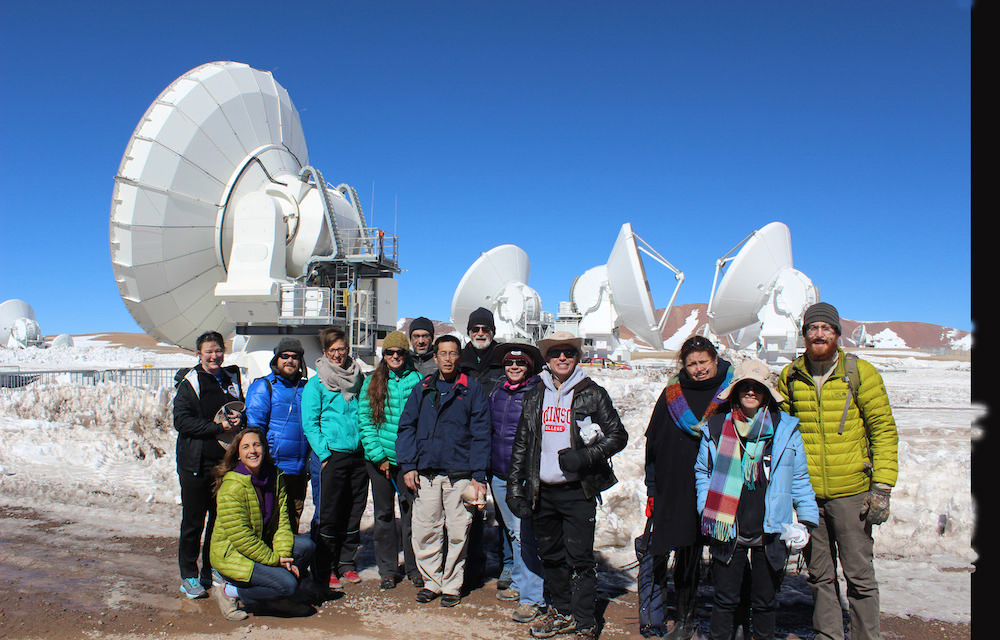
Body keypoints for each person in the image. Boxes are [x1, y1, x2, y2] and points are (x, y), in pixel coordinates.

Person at [777, 302, 898, 640]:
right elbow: (782, 431)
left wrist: (882, 487)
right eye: (812, 328)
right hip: (809, 496)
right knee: (819, 576)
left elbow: (883, 430)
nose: (819, 334)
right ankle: (828, 635)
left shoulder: (860, 373)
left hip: (852, 494)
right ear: (803, 334)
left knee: (860, 576)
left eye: (825, 328)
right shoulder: (791, 376)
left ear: (837, 333)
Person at [507, 331, 629, 640]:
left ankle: (585, 620)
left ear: (577, 357)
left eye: (569, 352)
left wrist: (585, 457)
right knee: (552, 556)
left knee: (580, 559)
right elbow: (522, 442)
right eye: (556, 353)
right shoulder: (535, 395)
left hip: (577, 491)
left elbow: (618, 436)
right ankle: (561, 612)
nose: (563, 357)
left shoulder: (593, 393)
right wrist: (515, 487)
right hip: (543, 491)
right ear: (547, 359)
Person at [695, 359, 818, 640]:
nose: (751, 392)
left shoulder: (785, 431)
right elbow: (703, 471)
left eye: (757, 387)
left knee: (765, 604)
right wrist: (707, 508)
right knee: (725, 601)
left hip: (771, 527)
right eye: (745, 387)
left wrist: (807, 520)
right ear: (736, 391)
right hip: (729, 527)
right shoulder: (716, 428)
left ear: (766, 393)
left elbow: (798, 479)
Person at [644, 335, 733, 640]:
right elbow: (653, 444)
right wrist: (652, 488)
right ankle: (684, 619)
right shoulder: (672, 394)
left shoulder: (731, 393)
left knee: (726, 555)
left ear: (715, 360)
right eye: (692, 363)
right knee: (685, 552)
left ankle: (733, 621)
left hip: (722, 485)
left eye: (703, 362)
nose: (698, 369)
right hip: (677, 485)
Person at [396, 334, 492, 608]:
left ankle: (452, 585)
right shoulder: (423, 388)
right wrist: (408, 465)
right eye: (443, 354)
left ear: (458, 357)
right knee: (426, 529)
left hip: (459, 474)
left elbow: (481, 434)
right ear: (435, 357)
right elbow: (406, 428)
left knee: (458, 531)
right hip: (426, 472)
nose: (448, 359)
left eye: (453, 353)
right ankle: (431, 582)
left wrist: (478, 475)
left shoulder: (471, 390)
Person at [209, 427, 316, 619]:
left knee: (306, 546)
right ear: (238, 454)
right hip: (234, 554)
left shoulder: (274, 477)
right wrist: (276, 561)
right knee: (288, 584)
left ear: (264, 448)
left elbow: (282, 522)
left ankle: (275, 599)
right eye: (246, 447)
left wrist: (283, 555)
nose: (253, 451)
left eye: (257, 445)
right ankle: (230, 591)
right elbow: (242, 539)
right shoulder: (232, 486)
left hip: (261, 544)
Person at [173, 330, 245, 599]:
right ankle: (189, 575)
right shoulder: (190, 382)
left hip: (223, 462)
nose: (214, 356)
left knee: (219, 519)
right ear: (199, 354)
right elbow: (181, 421)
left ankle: (211, 569)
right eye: (208, 352)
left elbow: (237, 408)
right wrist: (216, 427)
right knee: (193, 521)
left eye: (218, 350)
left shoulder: (230, 378)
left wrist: (238, 420)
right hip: (196, 462)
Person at [301, 326, 368, 591]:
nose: (339, 355)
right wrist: (325, 454)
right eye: (333, 350)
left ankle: (346, 563)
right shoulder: (316, 384)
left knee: (354, 509)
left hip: (357, 455)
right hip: (332, 456)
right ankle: (325, 566)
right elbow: (310, 423)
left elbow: (364, 413)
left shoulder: (358, 377)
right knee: (329, 513)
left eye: (342, 349)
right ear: (325, 352)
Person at [358, 331, 424, 590]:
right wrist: (378, 457)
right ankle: (387, 568)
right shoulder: (372, 381)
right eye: (390, 353)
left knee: (410, 513)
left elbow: (422, 420)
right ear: (383, 356)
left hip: (408, 461)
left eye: (399, 353)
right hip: (380, 460)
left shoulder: (417, 380)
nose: (395, 357)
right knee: (384, 514)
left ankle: (412, 566)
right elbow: (365, 420)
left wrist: (414, 459)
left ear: (405, 355)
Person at [488, 342, 548, 624]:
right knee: (513, 532)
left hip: (522, 476)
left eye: (520, 363)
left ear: (530, 367)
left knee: (524, 533)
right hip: (499, 473)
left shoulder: (537, 393)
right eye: (510, 363)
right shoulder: (497, 392)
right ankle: (519, 583)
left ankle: (531, 596)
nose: (514, 367)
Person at [458, 306, 504, 589]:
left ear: (493, 332)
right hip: (467, 447)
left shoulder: (504, 360)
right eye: (475, 329)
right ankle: (472, 567)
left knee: (503, 511)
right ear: (469, 332)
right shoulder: (459, 361)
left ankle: (505, 567)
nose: (480, 333)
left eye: (485, 329)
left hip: (499, 445)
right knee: (470, 509)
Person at [245, 337, 310, 533]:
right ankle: (270, 562)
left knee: (292, 520)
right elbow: (254, 431)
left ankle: (289, 560)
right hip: (274, 468)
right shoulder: (264, 387)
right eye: (285, 356)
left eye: (294, 357)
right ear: (276, 358)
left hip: (298, 470)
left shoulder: (306, 388)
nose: (289, 360)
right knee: (271, 520)